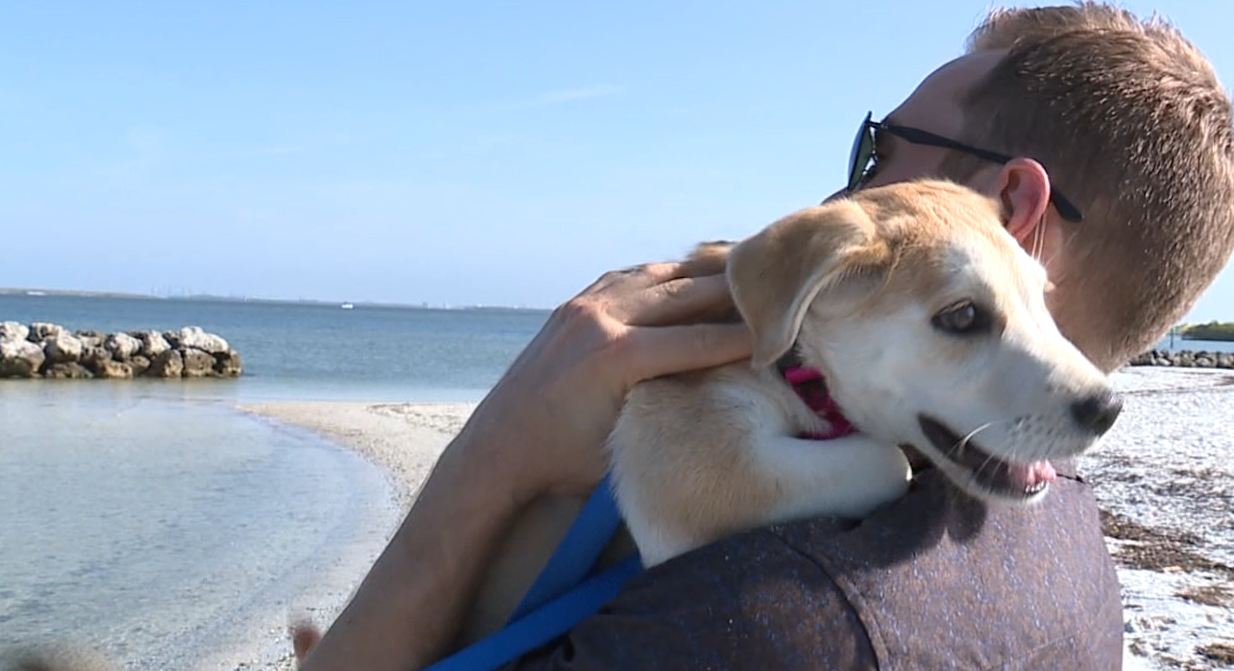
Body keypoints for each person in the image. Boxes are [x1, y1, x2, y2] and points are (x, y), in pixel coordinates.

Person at [297, 3, 1234, 670]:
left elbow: (691, 517)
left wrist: (493, 458)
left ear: (1009, 209)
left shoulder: (767, 619)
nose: (843, 193)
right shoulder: (1074, 550)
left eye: (878, 150)